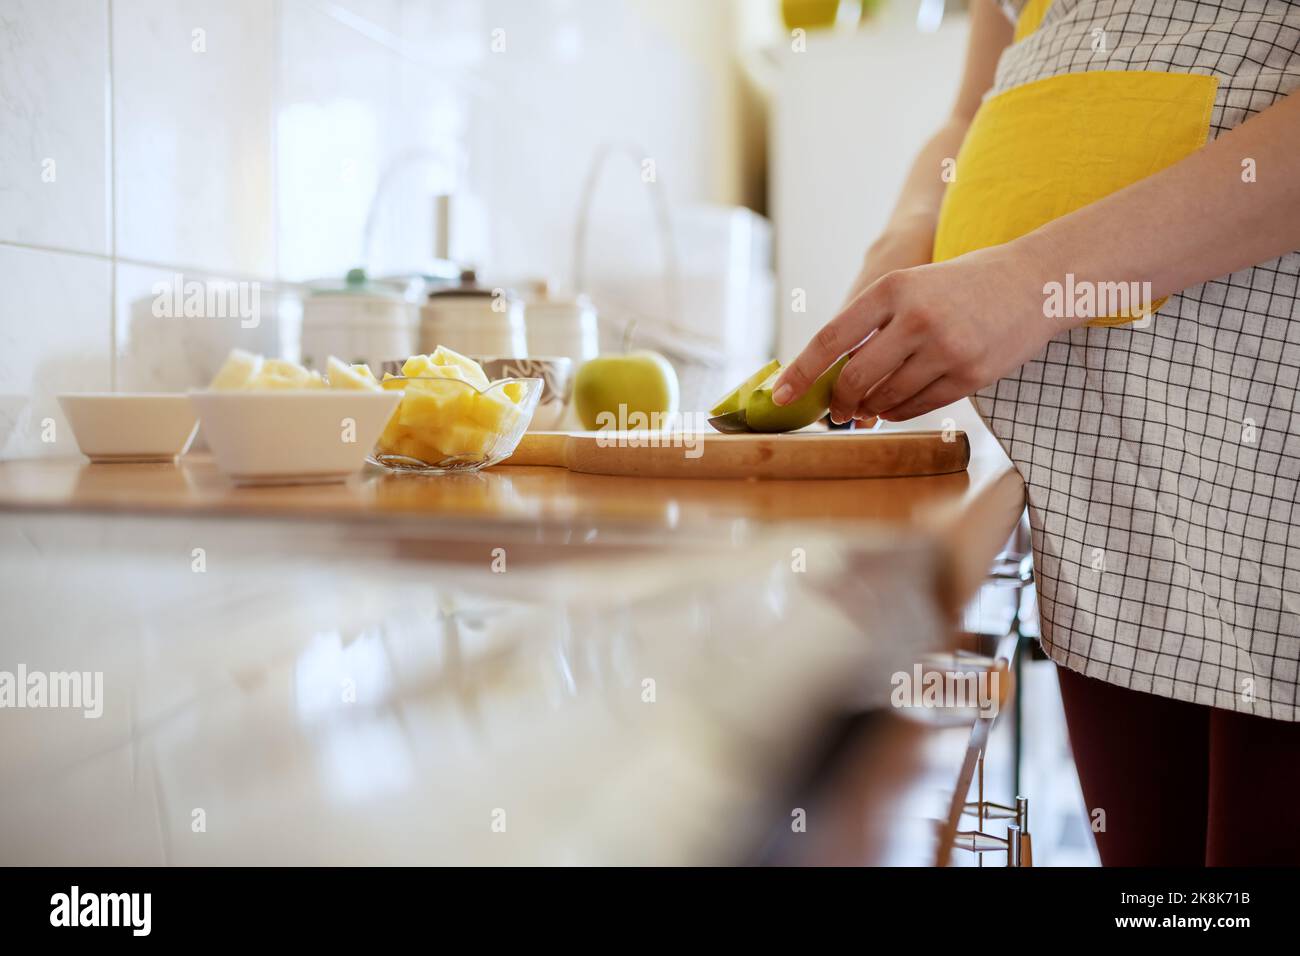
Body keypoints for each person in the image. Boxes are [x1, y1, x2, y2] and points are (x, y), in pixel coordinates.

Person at [775, 0, 1300, 865]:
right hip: (1097, 465)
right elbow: (971, 109)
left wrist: (1031, 281)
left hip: (1265, 426)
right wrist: (908, 237)